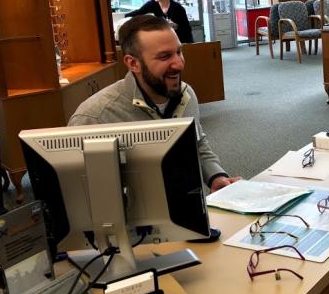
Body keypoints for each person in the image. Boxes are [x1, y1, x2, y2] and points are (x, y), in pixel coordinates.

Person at [69, 15, 239, 193]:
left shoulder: (186, 94)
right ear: (133, 63)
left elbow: (197, 143)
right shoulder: (94, 117)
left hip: (186, 207)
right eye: (165, 56)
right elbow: (77, 191)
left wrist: (216, 176)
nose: (179, 64)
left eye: (179, 52)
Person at [125, 0, 193, 43]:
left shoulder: (178, 8)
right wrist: (125, 17)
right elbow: (138, 12)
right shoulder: (153, 4)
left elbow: (187, 30)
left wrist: (176, 26)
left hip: (181, 41)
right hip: (165, 40)